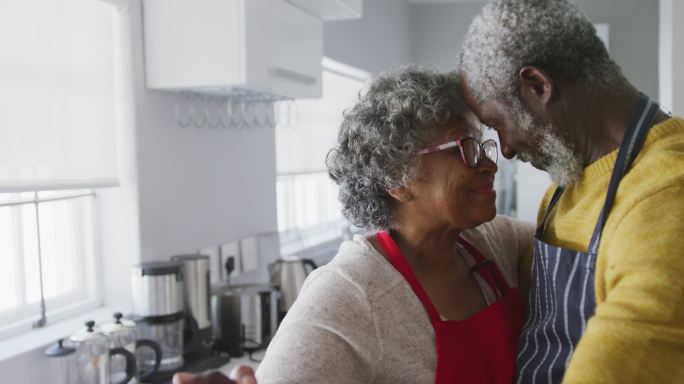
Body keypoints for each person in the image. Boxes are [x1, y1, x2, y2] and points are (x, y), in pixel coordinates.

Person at [175, 67, 535, 384]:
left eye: (484, 146)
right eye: (466, 149)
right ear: (398, 179)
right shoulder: (348, 295)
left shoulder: (495, 242)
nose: (491, 163)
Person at [458, 0, 684, 383]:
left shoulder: (667, 189)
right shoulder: (565, 188)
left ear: (538, 86)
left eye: (497, 123)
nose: (507, 149)